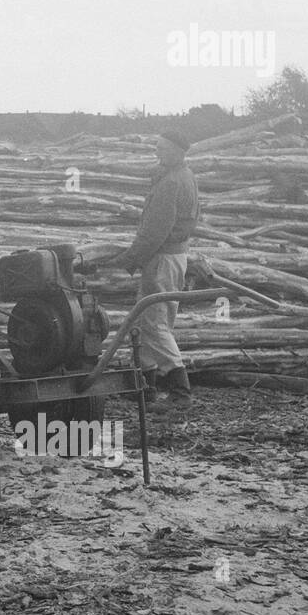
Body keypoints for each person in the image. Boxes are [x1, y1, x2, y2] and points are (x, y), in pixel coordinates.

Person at [113, 129, 199, 410]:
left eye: (162, 148)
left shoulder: (171, 183)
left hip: (161, 260)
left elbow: (154, 233)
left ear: (177, 150)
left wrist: (129, 258)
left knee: (154, 324)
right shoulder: (184, 176)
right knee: (147, 322)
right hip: (172, 258)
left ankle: (179, 391)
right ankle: (145, 385)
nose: (157, 152)